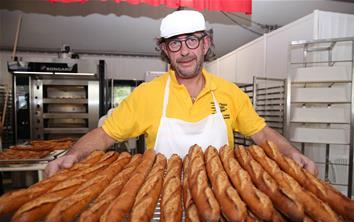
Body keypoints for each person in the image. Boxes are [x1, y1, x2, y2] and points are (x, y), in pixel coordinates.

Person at [44, 10, 315, 177]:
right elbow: (105, 134)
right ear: (165, 50)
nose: (184, 51)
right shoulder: (147, 94)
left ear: (205, 43)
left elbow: (262, 133)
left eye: (192, 40)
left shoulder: (230, 93)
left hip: (221, 201)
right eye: (175, 43)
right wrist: (72, 156)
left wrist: (292, 154)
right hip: (160, 202)